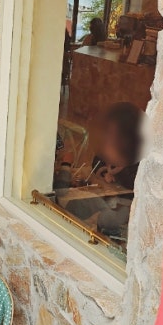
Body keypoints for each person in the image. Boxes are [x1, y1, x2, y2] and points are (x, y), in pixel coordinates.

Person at [55, 102, 143, 238]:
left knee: (96, 206)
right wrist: (106, 171)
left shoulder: (136, 162)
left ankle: (111, 220)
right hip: (101, 199)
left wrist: (118, 171)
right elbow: (97, 160)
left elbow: (132, 183)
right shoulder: (111, 150)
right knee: (89, 203)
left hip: (123, 201)